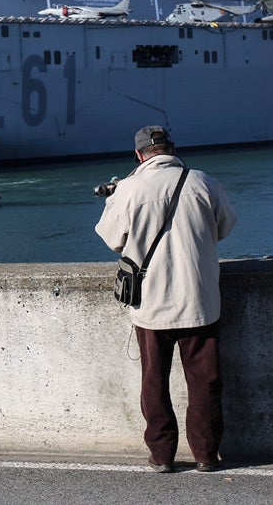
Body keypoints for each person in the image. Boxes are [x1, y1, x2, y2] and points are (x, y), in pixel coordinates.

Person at [95, 126, 236, 473]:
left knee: (154, 380)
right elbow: (224, 227)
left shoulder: (128, 189)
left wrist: (116, 197)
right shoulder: (204, 182)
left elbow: (113, 239)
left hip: (152, 304)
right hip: (199, 300)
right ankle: (205, 453)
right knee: (204, 381)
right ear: (172, 148)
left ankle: (162, 455)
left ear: (140, 155)